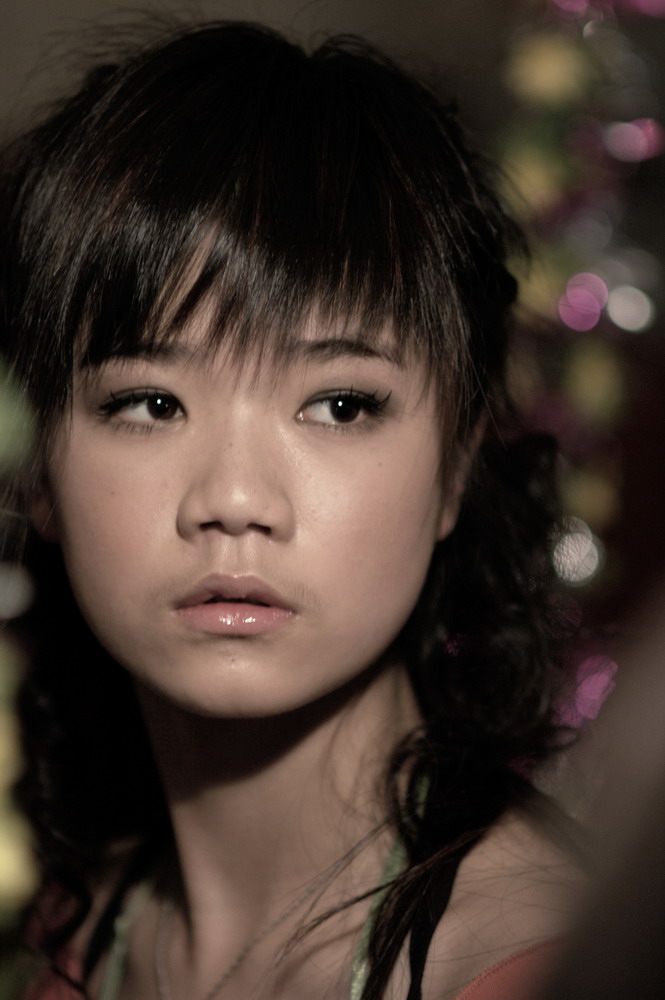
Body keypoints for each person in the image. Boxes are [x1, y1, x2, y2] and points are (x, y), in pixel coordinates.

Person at [0, 20, 580, 1000]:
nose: (234, 501)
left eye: (340, 405)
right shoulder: (57, 930)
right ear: (35, 469)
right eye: (150, 403)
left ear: (455, 464)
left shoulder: (558, 965)